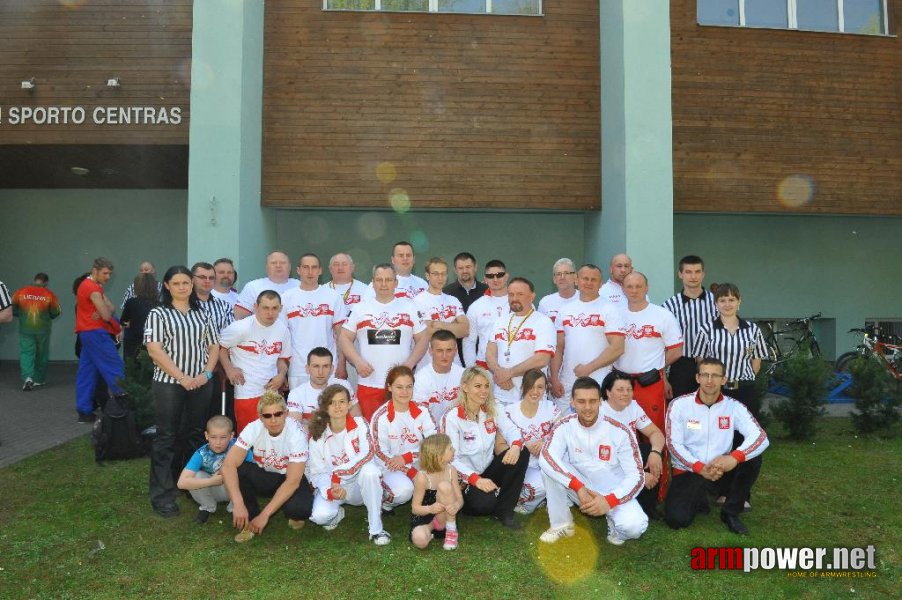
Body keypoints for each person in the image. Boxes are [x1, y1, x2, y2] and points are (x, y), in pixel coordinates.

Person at [145, 265, 219, 518]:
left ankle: (191, 485)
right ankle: (163, 493)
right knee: (167, 437)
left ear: (192, 284)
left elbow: (213, 346)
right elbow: (155, 350)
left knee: (196, 434)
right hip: (169, 384)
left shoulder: (201, 313)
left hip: (200, 383)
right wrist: (182, 378)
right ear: (167, 286)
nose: (182, 287)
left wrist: (206, 374)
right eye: (176, 283)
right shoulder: (158, 313)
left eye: (186, 282)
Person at [538, 377, 648, 546]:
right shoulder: (564, 426)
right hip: (580, 487)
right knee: (548, 466)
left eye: (592, 401)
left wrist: (610, 500)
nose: (588, 407)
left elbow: (637, 476)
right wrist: (578, 487)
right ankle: (562, 524)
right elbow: (547, 456)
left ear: (600, 402)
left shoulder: (620, 430)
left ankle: (615, 526)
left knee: (634, 528)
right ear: (572, 402)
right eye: (581, 401)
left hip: (613, 491)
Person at [665, 358, 769, 535]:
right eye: (705, 375)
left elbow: (760, 437)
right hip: (691, 469)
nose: (709, 380)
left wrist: (734, 458)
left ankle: (730, 512)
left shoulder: (733, 407)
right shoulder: (679, 405)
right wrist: (699, 467)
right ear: (697, 378)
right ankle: (699, 497)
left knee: (752, 457)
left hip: (722, 468)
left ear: (724, 379)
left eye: (715, 375)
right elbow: (673, 445)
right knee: (677, 520)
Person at [440, 366, 529, 529]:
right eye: (478, 386)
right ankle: (466, 500)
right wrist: (475, 480)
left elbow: (513, 431)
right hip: (465, 478)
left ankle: (505, 511)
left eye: (486, 386)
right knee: (483, 505)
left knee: (522, 451)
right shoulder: (452, 417)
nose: (483, 391)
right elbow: (450, 460)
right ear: (465, 387)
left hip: (488, 470)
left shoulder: (493, 408)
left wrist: (515, 446)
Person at [339, 263, 429, 420]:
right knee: (371, 433)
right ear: (372, 283)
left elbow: (423, 339)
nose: (384, 284)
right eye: (379, 280)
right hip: (369, 384)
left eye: (388, 279)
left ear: (396, 283)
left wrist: (409, 365)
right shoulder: (360, 308)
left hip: (400, 386)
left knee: (400, 432)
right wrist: (357, 361)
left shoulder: (409, 307)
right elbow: (344, 337)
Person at [221, 391, 314, 542]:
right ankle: (249, 519)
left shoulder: (296, 433)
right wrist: (237, 503)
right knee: (239, 469)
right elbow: (227, 466)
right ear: (260, 417)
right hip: (265, 475)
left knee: (300, 510)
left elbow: (293, 481)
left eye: (278, 414)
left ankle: (287, 509)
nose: (273, 420)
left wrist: (265, 515)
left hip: (289, 477)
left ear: (286, 413)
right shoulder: (253, 428)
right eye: (267, 416)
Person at [307, 384, 392, 545]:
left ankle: (376, 529)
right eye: (332, 402)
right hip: (334, 487)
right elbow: (316, 473)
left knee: (370, 471)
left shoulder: (360, 424)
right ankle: (337, 513)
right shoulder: (317, 436)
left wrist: (339, 473)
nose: (338, 406)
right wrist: (331, 491)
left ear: (349, 404)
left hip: (358, 485)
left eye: (342, 401)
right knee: (320, 517)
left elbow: (367, 454)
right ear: (325, 407)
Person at [613, 272, 683, 435]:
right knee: (620, 432)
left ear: (647, 288)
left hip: (650, 383)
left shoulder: (662, 315)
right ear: (622, 289)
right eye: (629, 286)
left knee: (653, 431)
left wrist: (657, 365)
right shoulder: (615, 314)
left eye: (638, 286)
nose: (634, 290)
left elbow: (676, 350)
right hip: (620, 383)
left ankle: (656, 461)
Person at [550, 264, 625, 410]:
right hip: (567, 383)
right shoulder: (565, 311)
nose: (589, 282)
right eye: (585, 278)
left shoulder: (609, 309)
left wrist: (589, 368)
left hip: (599, 381)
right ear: (577, 280)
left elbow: (617, 347)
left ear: (601, 283)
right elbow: (559, 347)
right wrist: (554, 377)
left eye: (593, 279)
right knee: (565, 427)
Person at [218, 290, 292, 433]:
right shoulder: (240, 327)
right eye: (265, 307)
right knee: (248, 437)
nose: (270, 313)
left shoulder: (283, 330)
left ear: (280, 309)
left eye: (274, 308)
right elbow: (219, 347)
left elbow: (283, 358)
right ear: (255, 307)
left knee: (273, 435)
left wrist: (281, 375)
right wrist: (229, 369)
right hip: (247, 392)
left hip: (271, 393)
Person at [694, 283, 768, 419]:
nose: (727, 304)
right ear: (716, 303)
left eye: (731, 300)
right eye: (722, 300)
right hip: (716, 390)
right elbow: (701, 360)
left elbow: (757, 359)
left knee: (745, 432)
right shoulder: (706, 330)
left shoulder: (752, 329)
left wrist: (747, 376)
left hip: (745, 390)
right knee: (718, 429)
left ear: (739, 301)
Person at [600, 371, 666, 520]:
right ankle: (619, 501)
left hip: (628, 456)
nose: (626, 394)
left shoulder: (632, 406)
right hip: (607, 463)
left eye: (629, 389)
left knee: (650, 450)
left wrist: (655, 452)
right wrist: (641, 476)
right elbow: (606, 458)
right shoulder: (600, 413)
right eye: (620, 390)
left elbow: (656, 433)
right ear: (608, 392)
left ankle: (647, 506)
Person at [371, 366, 438, 511]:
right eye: (399, 387)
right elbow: (380, 454)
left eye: (409, 387)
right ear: (389, 387)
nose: (405, 392)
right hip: (391, 467)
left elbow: (435, 445)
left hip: (420, 461)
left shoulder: (423, 411)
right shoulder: (380, 417)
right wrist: (410, 471)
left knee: (441, 477)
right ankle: (384, 502)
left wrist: (408, 457)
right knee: (403, 491)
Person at [496, 369, 559, 515]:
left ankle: (546, 498)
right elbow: (499, 448)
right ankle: (524, 504)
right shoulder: (509, 411)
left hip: (545, 463)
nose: (535, 391)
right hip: (520, 468)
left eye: (540, 387)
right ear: (523, 386)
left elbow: (563, 434)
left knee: (558, 477)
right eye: (531, 386)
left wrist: (545, 441)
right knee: (542, 486)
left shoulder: (551, 408)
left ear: (545, 389)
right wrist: (522, 448)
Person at [485, 277, 556, 406]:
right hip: (501, 395)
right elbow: (490, 352)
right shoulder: (500, 321)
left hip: (530, 397)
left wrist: (509, 373)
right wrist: (499, 373)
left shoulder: (543, 322)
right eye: (511, 294)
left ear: (532, 296)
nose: (514, 298)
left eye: (520, 294)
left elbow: (542, 359)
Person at [280, 253, 347, 389]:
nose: (310, 272)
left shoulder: (333, 296)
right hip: (298, 368)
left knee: (329, 409)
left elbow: (341, 334)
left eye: (314, 267)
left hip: (328, 368)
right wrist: (281, 372)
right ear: (298, 270)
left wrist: (341, 364)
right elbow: (281, 337)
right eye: (305, 267)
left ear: (320, 270)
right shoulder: (286, 297)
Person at [75, 257, 125, 423]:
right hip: (96, 333)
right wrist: (115, 325)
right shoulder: (93, 288)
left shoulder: (92, 286)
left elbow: (109, 309)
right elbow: (106, 313)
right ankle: (125, 405)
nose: (108, 277)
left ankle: (84, 411)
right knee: (114, 366)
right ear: (94, 270)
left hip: (86, 333)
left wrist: (104, 310)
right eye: (105, 273)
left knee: (87, 372)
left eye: (110, 273)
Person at [664, 255, 718, 398]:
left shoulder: (718, 302)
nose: (693, 276)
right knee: (681, 410)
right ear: (680, 274)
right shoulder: (669, 306)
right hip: (681, 365)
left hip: (712, 363)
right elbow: (660, 344)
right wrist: (663, 378)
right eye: (688, 272)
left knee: (711, 409)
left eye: (697, 271)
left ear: (703, 274)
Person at [177, 415, 236, 524]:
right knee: (195, 475)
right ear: (206, 435)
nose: (218, 442)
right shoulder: (201, 453)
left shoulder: (239, 447)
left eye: (223, 437)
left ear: (231, 435)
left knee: (244, 470)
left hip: (235, 490)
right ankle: (207, 506)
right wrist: (212, 481)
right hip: (212, 488)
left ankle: (235, 507)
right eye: (213, 437)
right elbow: (181, 483)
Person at [410, 433, 464, 551]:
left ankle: (451, 532)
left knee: (444, 486)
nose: (454, 450)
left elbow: (459, 499)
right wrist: (430, 509)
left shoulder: (451, 470)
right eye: (450, 448)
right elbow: (415, 508)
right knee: (420, 540)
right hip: (427, 516)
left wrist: (456, 505)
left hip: (447, 517)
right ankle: (431, 531)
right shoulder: (422, 476)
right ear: (439, 456)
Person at [413, 257, 468, 369]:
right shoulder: (417, 301)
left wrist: (439, 324)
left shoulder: (453, 300)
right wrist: (453, 325)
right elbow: (426, 331)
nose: (440, 278)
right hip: (427, 365)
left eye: (443, 274)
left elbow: (465, 330)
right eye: (436, 274)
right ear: (427, 276)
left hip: (454, 365)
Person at [12, 272, 61, 391]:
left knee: (26, 353)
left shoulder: (21, 292)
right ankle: (39, 380)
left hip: (26, 329)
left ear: (35, 280)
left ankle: (28, 378)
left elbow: (12, 308)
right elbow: (56, 312)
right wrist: (46, 317)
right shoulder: (50, 294)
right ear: (46, 282)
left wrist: (22, 316)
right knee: (41, 354)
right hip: (43, 330)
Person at [287, 347, 358, 424]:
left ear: (332, 369)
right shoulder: (296, 394)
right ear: (307, 369)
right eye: (316, 366)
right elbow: (295, 428)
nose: (320, 372)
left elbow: (358, 420)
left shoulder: (344, 386)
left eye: (325, 366)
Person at [443, 251, 489, 364]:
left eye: (468, 267)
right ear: (455, 270)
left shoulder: (487, 291)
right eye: (461, 268)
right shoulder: (446, 293)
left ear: (475, 267)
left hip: (483, 354)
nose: (465, 271)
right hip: (455, 355)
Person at [462, 260, 509, 368]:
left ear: (506, 276)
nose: (495, 279)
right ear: (485, 279)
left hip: (514, 366)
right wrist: (472, 369)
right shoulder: (476, 306)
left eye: (500, 275)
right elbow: (469, 340)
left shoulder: (519, 303)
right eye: (490, 276)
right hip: (484, 366)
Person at [413, 330, 465, 424]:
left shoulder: (464, 375)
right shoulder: (420, 378)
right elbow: (419, 416)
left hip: (457, 429)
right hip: (430, 433)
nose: (444, 356)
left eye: (449, 350)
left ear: (456, 351)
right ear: (431, 351)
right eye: (439, 350)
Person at [234, 251, 299, 320]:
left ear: (289, 266)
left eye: (283, 263)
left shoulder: (300, 286)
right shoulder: (253, 287)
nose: (278, 265)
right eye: (273, 263)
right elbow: (239, 317)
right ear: (266, 267)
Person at [120, 273, 159, 362]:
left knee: (131, 366)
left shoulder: (131, 302)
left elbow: (123, 321)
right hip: (152, 340)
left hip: (134, 341)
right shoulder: (159, 305)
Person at [192, 262, 233, 334]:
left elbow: (231, 334)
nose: (207, 281)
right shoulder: (182, 304)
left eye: (211, 278)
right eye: (202, 277)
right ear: (192, 279)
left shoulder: (225, 306)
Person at [537, 258, 577, 325]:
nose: (562, 277)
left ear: (575, 276)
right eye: (558, 274)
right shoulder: (545, 303)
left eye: (566, 273)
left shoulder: (585, 299)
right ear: (554, 279)